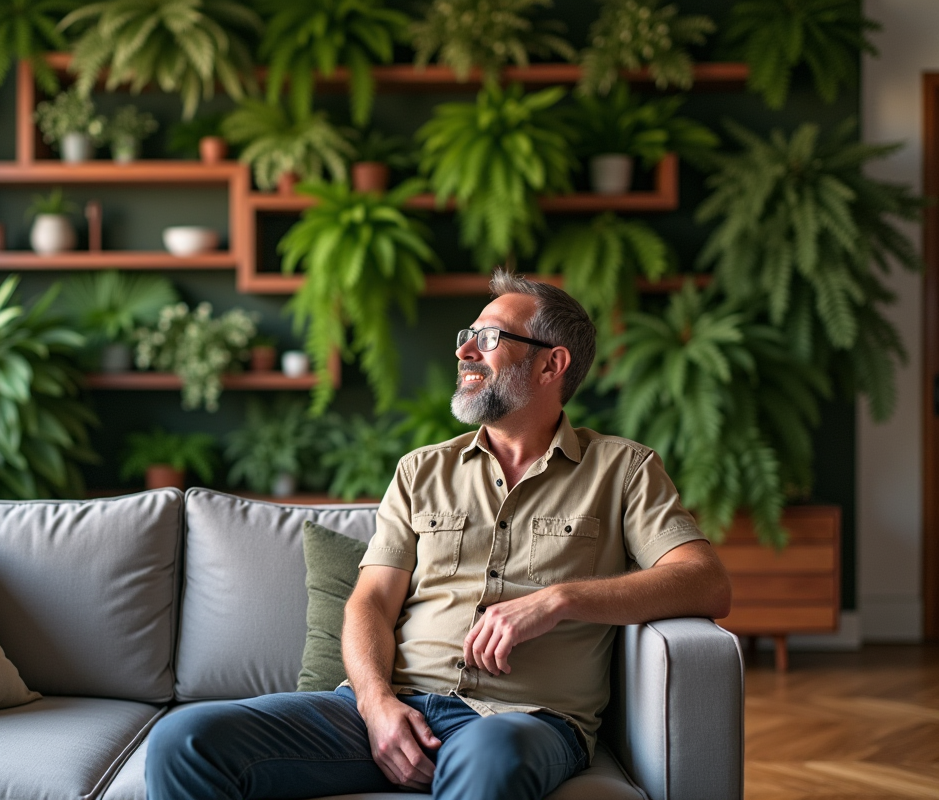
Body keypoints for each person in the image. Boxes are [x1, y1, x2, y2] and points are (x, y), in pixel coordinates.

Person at [145, 269, 732, 800]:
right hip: (390, 706)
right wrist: (377, 708)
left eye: (492, 338)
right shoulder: (421, 470)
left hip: (521, 720)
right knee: (186, 738)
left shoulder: (622, 469)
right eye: (466, 334)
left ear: (553, 365)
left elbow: (705, 583)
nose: (466, 350)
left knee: (491, 757)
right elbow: (371, 601)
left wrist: (559, 599)